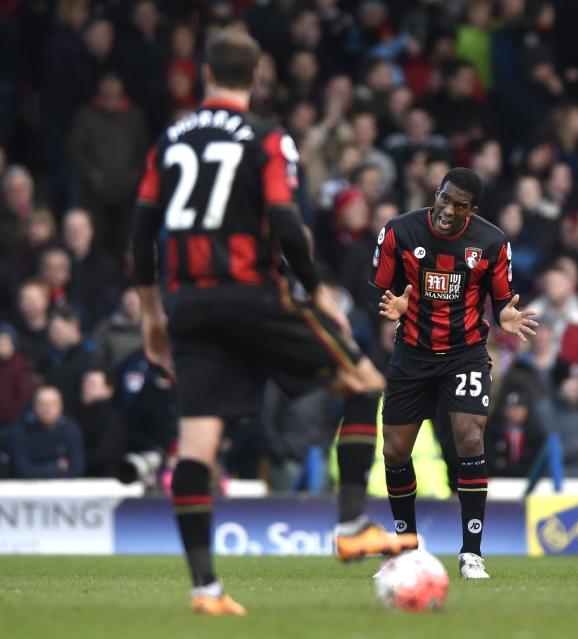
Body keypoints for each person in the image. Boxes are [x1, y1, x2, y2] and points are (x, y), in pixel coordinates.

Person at [130, 31, 412, 617]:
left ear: (206, 73)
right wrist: (319, 294)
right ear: (256, 76)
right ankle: (353, 524)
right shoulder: (266, 139)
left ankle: (206, 590)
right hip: (254, 295)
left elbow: (140, 234)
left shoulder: (168, 142)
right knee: (363, 386)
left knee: (198, 446)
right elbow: (285, 222)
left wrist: (153, 316)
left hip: (187, 304)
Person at [371, 166, 537, 579]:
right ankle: (405, 548)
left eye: (459, 205)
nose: (448, 210)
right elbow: (381, 287)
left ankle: (472, 553)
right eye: (444, 198)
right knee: (394, 450)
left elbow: (502, 303)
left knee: (468, 436)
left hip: (465, 353)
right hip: (411, 354)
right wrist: (395, 306)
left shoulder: (492, 242)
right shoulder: (399, 232)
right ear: (437, 192)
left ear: (471, 210)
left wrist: (507, 317)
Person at [9, 385, 85, 479]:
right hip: (28, 489)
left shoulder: (71, 429)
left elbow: (76, 469)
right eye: (42, 404)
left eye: (52, 403)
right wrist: (56, 467)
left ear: (60, 406)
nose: (47, 409)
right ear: (34, 407)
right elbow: (22, 470)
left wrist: (38, 468)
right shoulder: (21, 430)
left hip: (64, 488)